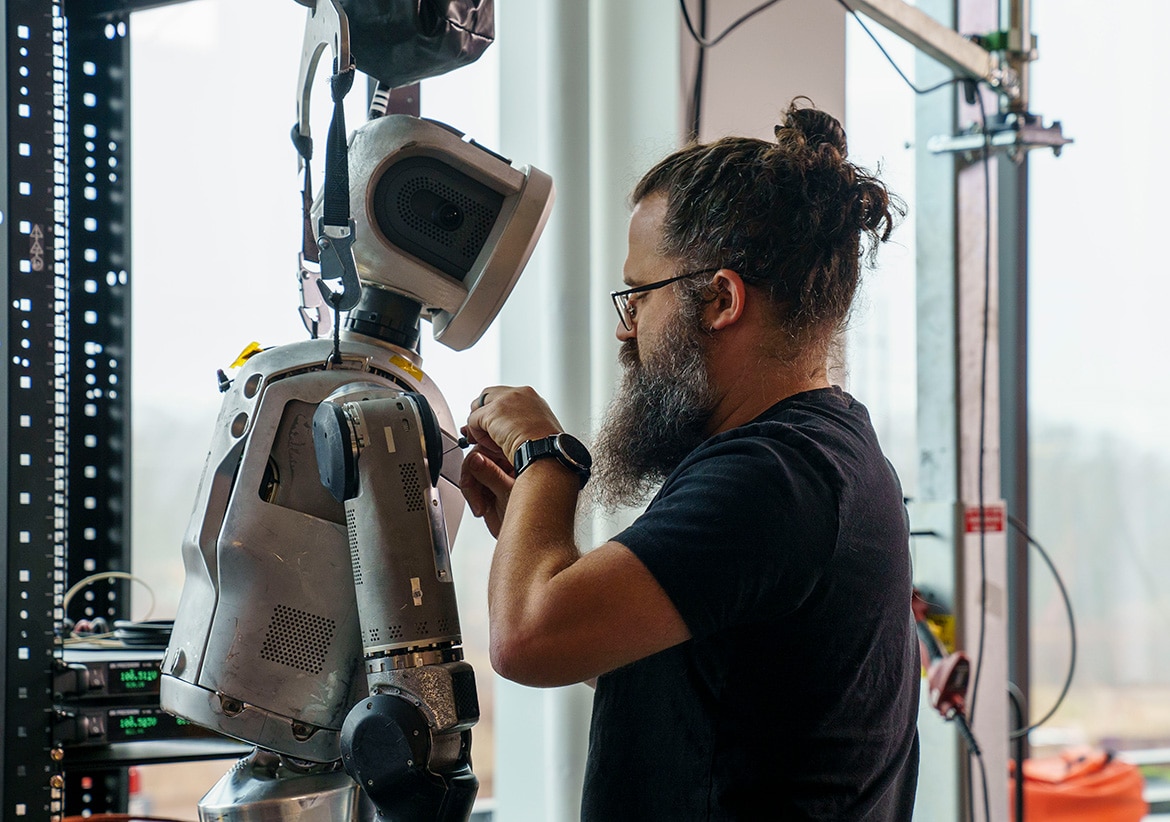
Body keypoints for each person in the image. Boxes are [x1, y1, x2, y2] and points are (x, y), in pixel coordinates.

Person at [459, 99, 920, 821]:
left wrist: (549, 458)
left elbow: (525, 639)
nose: (625, 326)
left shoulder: (773, 477)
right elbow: (690, 682)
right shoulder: (826, 455)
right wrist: (533, 534)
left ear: (720, 300)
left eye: (639, 293)